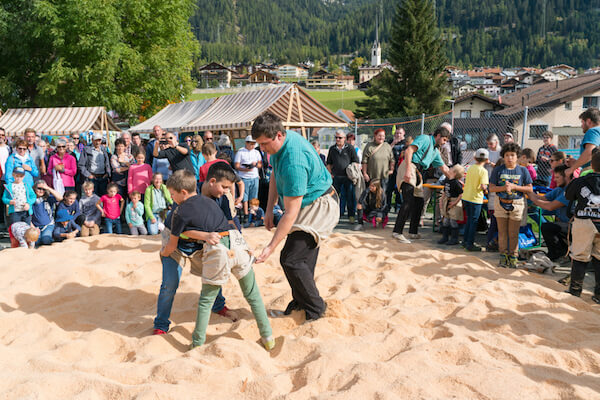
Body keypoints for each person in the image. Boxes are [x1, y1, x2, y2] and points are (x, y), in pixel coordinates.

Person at [159, 169, 274, 350]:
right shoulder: (211, 203)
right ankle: (268, 337)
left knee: (206, 301)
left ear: (182, 192)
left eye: (172, 194)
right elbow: (223, 225)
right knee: (253, 296)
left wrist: (164, 253)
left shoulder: (180, 212)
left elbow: (173, 244)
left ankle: (197, 344)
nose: (171, 198)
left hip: (219, 251)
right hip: (237, 245)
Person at [251, 111, 339, 321]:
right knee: (301, 259)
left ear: (279, 136)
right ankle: (301, 304)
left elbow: (291, 213)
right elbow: (274, 174)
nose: (262, 149)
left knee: (291, 259)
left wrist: (270, 247)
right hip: (310, 202)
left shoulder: (294, 162)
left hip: (320, 205)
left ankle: (316, 310)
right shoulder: (281, 143)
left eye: (264, 144)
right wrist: (270, 207)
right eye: (259, 145)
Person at [392, 126, 451, 243]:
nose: (445, 143)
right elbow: (409, 151)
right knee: (408, 200)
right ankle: (397, 232)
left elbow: (444, 168)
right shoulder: (425, 139)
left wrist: (457, 179)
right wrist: (408, 170)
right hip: (409, 166)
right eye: (444, 140)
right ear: (438, 136)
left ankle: (413, 232)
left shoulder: (435, 151)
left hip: (418, 172)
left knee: (419, 202)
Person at [489, 143, 533, 268]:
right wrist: (504, 187)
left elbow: (529, 188)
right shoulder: (498, 170)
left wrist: (514, 187)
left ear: (517, 156)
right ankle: (503, 256)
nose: (509, 158)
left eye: (512, 155)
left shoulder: (523, 170)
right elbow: (491, 188)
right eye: (507, 155)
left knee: (513, 233)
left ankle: (513, 256)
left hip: (517, 203)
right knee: (502, 232)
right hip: (500, 202)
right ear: (503, 156)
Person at [564, 152, 600, 301]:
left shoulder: (581, 181)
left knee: (580, 255)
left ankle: (575, 290)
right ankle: (598, 294)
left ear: (592, 165)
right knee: (599, 256)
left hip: (584, 221)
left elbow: (568, 196)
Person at [529, 165, 572, 262]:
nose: (554, 180)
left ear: (566, 177)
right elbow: (543, 198)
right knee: (551, 226)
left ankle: (557, 254)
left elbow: (550, 206)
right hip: (565, 225)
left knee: (547, 227)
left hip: (575, 226)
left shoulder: (569, 190)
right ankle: (561, 252)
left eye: (557, 177)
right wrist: (528, 191)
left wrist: (533, 199)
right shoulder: (559, 189)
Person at [327, 130, 360, 223]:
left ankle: (351, 216)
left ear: (344, 138)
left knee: (350, 197)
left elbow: (356, 161)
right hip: (336, 177)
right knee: (334, 197)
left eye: (340, 137)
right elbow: (329, 163)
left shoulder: (350, 148)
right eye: (336, 137)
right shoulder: (332, 149)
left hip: (348, 178)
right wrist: (330, 174)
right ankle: (333, 216)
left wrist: (353, 172)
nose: (337, 139)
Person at [462, 149, 489, 251]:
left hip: (467, 196)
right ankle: (470, 244)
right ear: (487, 160)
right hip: (476, 198)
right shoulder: (483, 171)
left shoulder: (471, 168)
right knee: (474, 221)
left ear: (475, 158)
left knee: (469, 220)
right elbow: (483, 186)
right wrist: (486, 190)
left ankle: (465, 241)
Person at [234, 135, 263, 224]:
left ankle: (254, 214)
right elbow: (237, 165)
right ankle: (246, 215)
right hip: (244, 177)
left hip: (254, 176)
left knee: (254, 197)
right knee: (245, 197)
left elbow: (260, 164)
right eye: (251, 144)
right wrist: (245, 168)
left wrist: (254, 165)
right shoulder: (241, 152)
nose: (253, 145)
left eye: (254, 144)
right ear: (246, 143)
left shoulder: (256, 152)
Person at [566, 108, 600, 178]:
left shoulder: (593, 131)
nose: (581, 126)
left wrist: (571, 169)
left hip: (592, 174)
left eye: (582, 122)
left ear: (588, 121)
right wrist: (576, 163)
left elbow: (590, 152)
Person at [437, 164, 464, 245]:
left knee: (453, 220)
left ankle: (454, 238)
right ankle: (445, 237)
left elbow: (461, 194)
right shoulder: (447, 180)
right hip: (447, 201)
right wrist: (441, 201)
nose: (450, 169)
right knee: (445, 220)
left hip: (454, 201)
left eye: (452, 169)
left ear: (455, 173)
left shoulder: (456, 183)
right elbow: (445, 191)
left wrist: (454, 203)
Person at [31, 181, 63, 246]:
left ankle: (52, 237)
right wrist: (32, 227)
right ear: (34, 189)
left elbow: (60, 198)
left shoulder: (48, 198)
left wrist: (48, 188)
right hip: (35, 226)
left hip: (48, 225)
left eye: (43, 189)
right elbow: (27, 215)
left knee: (46, 240)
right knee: (35, 242)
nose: (41, 191)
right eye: (39, 188)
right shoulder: (31, 200)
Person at [485, 134, 502, 251]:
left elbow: (501, 166)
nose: (489, 146)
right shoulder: (487, 151)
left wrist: (491, 164)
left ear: (496, 142)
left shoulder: (501, 152)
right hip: (488, 179)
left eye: (491, 144)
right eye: (488, 144)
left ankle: (493, 240)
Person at [386, 126, 406, 213]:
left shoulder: (406, 143)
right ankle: (387, 205)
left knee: (399, 190)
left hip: (401, 169)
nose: (398, 135)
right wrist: (393, 143)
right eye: (397, 133)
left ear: (403, 134)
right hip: (391, 169)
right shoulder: (390, 142)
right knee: (389, 189)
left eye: (400, 133)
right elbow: (386, 151)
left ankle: (398, 206)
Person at [0, 127, 10, 224]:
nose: (0, 137)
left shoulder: (8, 148)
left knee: (4, 202)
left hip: (5, 179)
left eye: (2, 135)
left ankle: (3, 223)